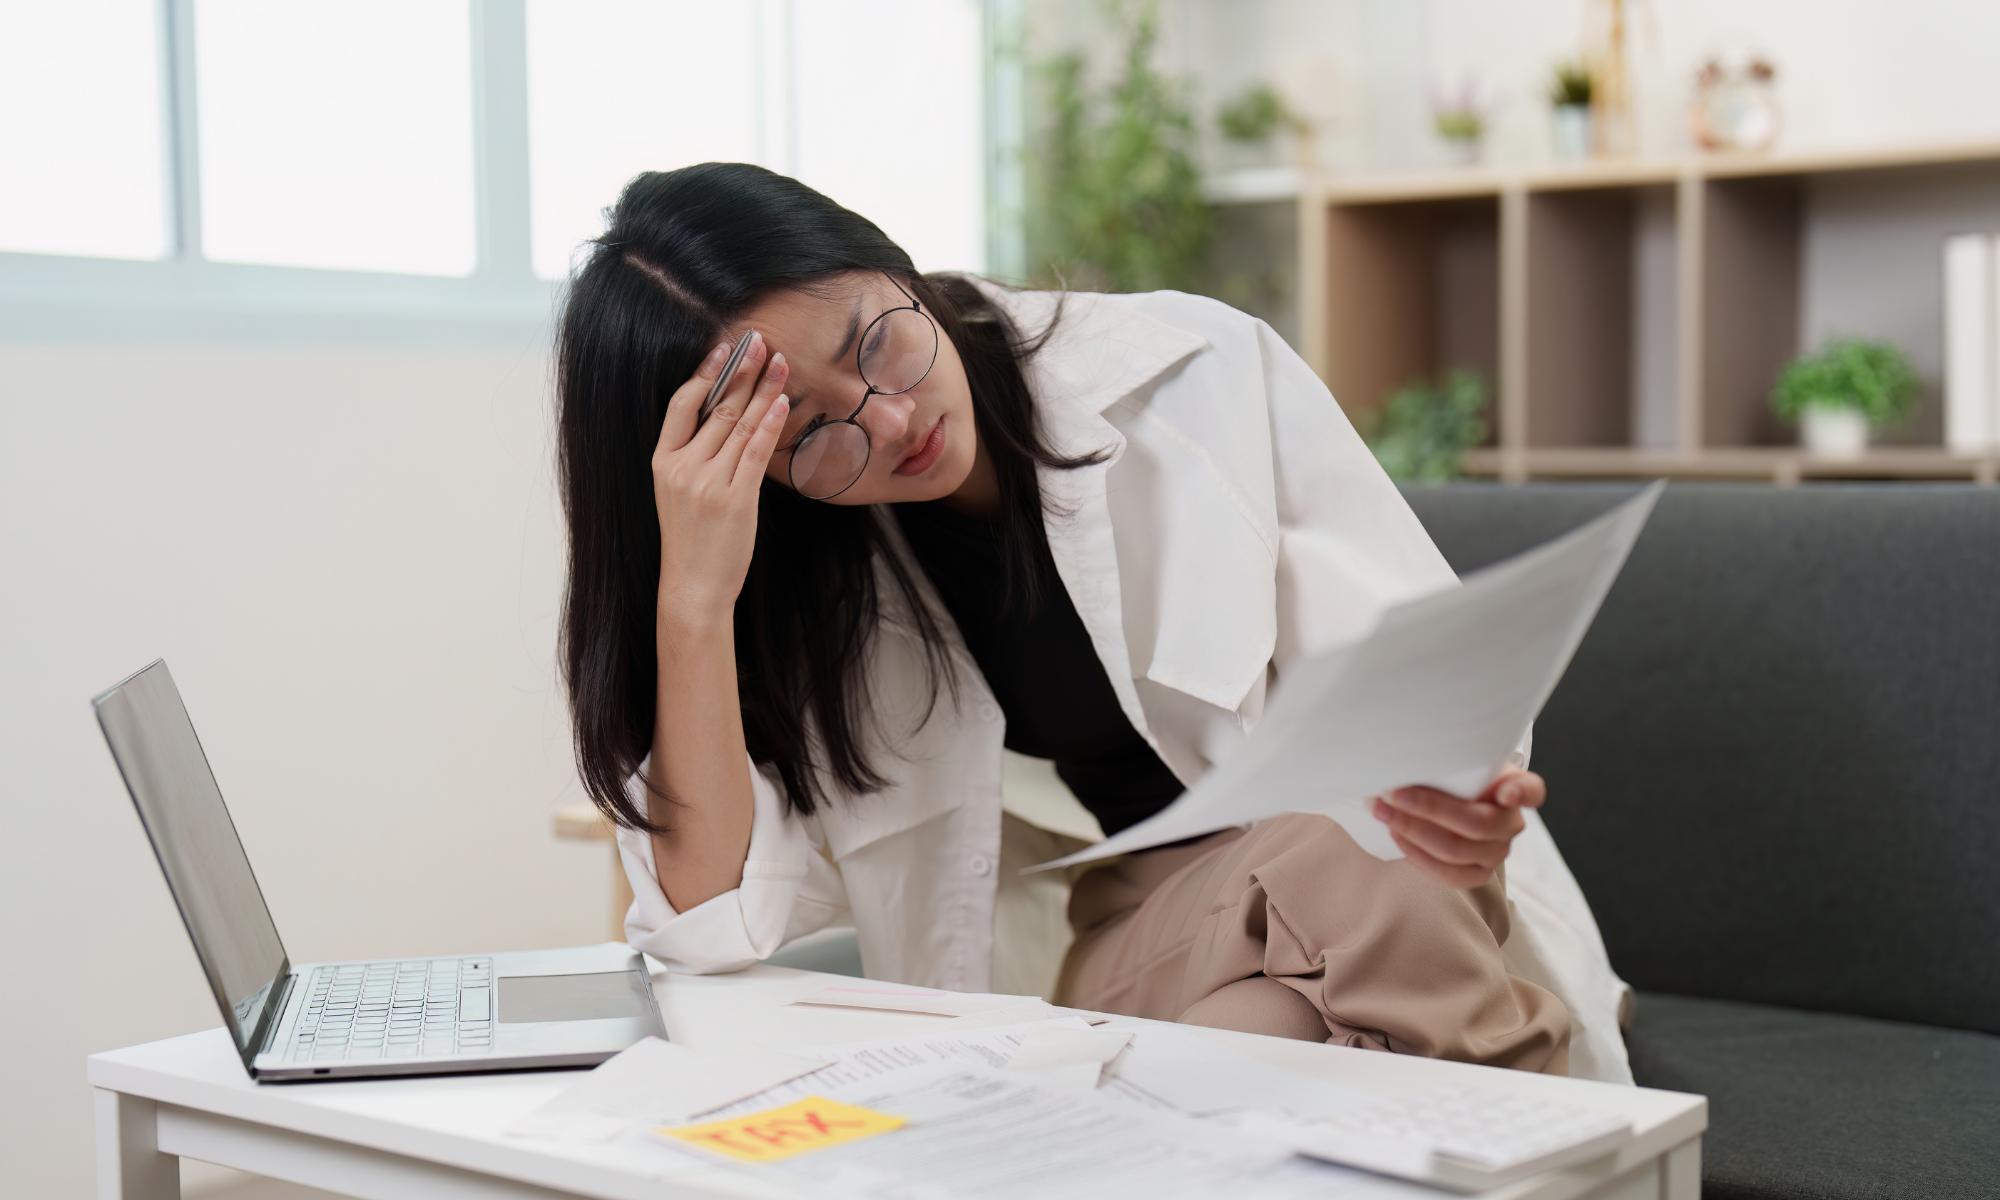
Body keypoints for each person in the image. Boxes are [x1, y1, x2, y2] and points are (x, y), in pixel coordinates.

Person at [557, 163, 1632, 1081]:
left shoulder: (1193, 371)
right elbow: (700, 926)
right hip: (1144, 930)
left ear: (891, 261)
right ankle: (1540, 1111)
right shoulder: (802, 586)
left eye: (874, 340)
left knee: (1253, 1042)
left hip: (1370, 897)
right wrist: (692, 596)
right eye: (809, 433)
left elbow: (1415, 693)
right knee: (1351, 876)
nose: (889, 417)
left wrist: (1462, 803)